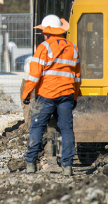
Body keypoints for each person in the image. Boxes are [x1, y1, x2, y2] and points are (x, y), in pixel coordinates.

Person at [21, 14, 81, 177]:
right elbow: (77, 76)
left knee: (37, 127)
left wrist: (26, 93)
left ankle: (31, 163)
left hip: (47, 94)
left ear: (47, 31)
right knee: (66, 129)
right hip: (67, 95)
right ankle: (67, 166)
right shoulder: (73, 47)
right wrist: (75, 96)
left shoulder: (43, 47)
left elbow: (34, 75)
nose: (42, 34)